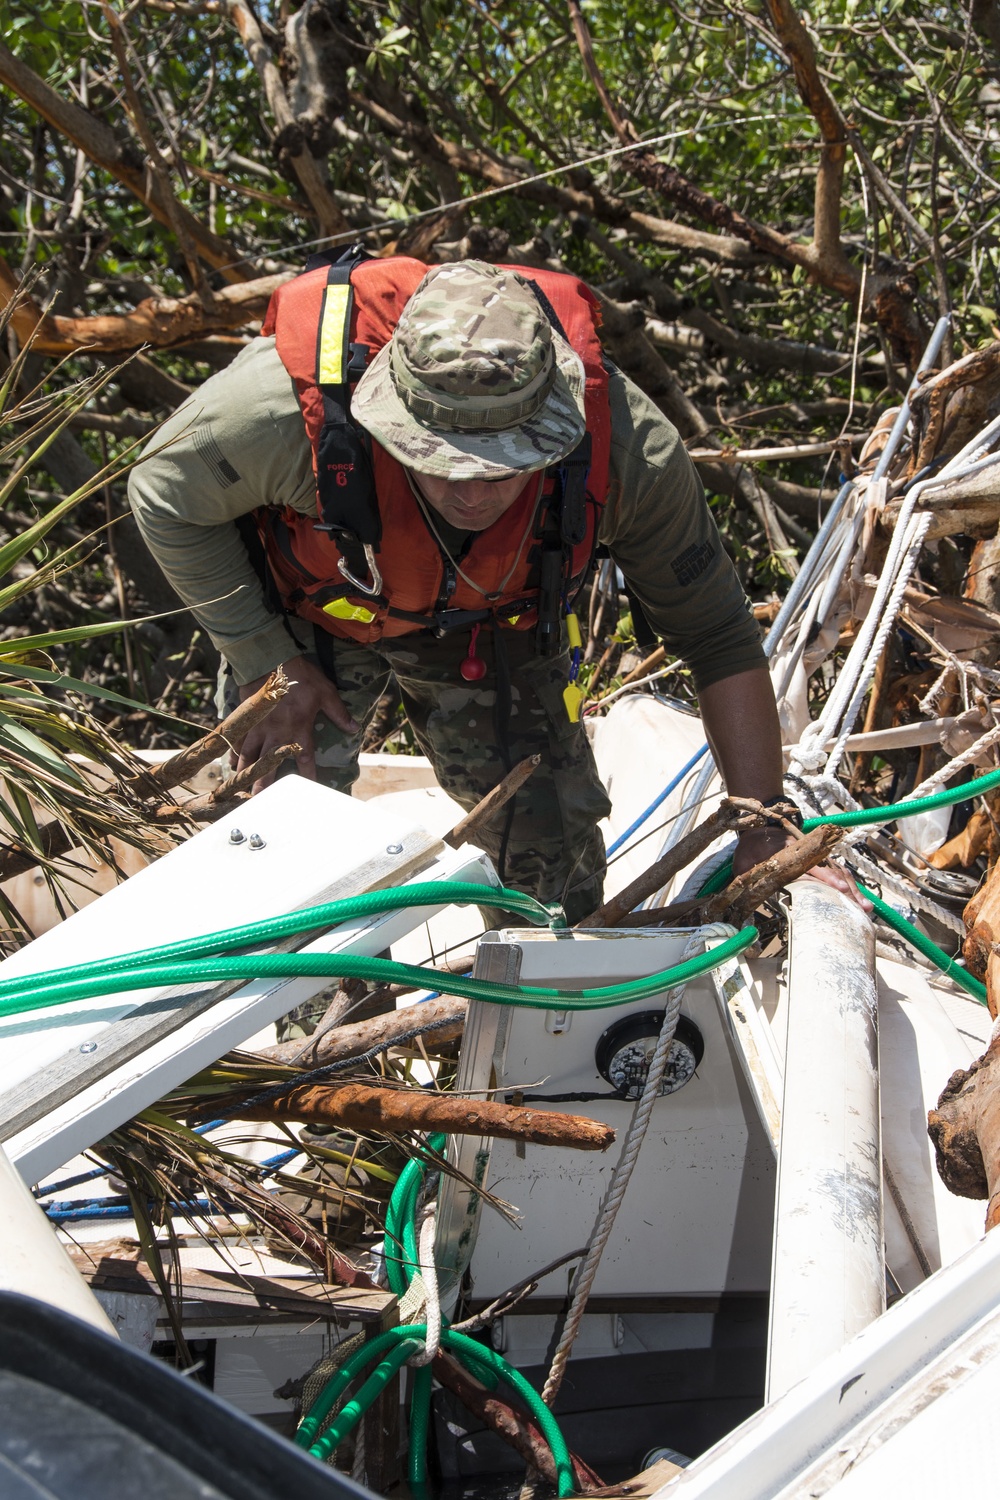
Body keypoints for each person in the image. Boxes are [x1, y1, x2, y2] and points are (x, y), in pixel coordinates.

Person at [128, 256, 792, 923]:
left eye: (503, 466)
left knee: (550, 859)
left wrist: (765, 828)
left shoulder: (629, 454)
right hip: (316, 604)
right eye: (438, 459)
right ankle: (333, 1019)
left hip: (495, 618)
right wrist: (261, 658)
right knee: (285, 842)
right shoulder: (278, 416)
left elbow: (719, 638)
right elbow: (162, 494)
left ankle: (542, 1004)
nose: (471, 493)